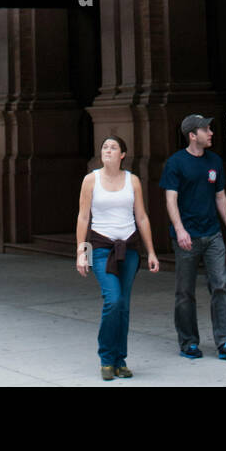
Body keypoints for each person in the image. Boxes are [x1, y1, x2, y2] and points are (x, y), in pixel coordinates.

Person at [159, 114, 226, 362]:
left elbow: (220, 197)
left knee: (221, 286)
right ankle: (188, 342)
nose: (211, 133)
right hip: (187, 238)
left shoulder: (215, 161)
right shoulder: (176, 163)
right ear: (192, 135)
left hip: (213, 234)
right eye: (206, 129)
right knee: (185, 292)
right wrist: (180, 229)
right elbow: (170, 199)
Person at [76, 134, 160, 381]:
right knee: (112, 300)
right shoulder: (90, 180)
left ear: (123, 155)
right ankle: (105, 358)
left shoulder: (132, 181)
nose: (108, 150)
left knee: (123, 304)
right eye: (104, 147)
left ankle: (120, 360)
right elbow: (83, 218)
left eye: (113, 147)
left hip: (130, 249)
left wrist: (152, 252)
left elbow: (142, 217)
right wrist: (81, 252)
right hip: (101, 248)